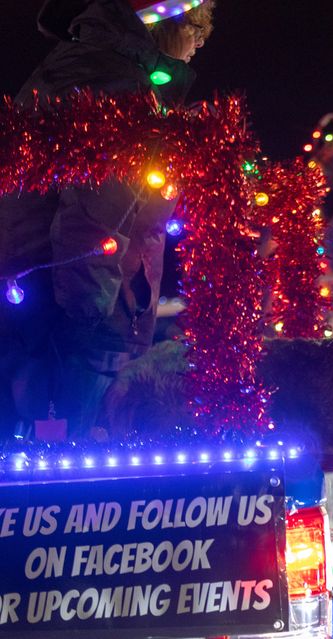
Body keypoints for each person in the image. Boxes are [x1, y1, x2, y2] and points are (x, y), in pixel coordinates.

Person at [0, 0, 214, 437]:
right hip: (75, 322)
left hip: (34, 306)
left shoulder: (81, 65)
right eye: (197, 30)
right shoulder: (119, 84)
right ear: (167, 23)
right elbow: (91, 219)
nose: (196, 48)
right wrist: (87, 325)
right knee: (72, 480)